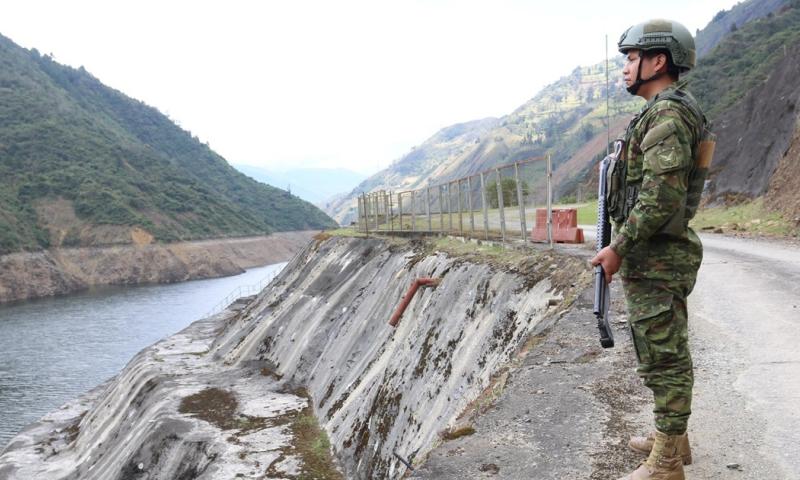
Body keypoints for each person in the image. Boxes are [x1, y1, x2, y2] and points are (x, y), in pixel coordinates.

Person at [590, 18, 715, 480]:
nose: (625, 67)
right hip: (657, 255)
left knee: (664, 355)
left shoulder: (666, 115)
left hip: (658, 256)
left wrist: (618, 247)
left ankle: (665, 464)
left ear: (657, 60)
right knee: (659, 348)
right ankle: (673, 439)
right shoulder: (665, 111)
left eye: (631, 58)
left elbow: (661, 196)